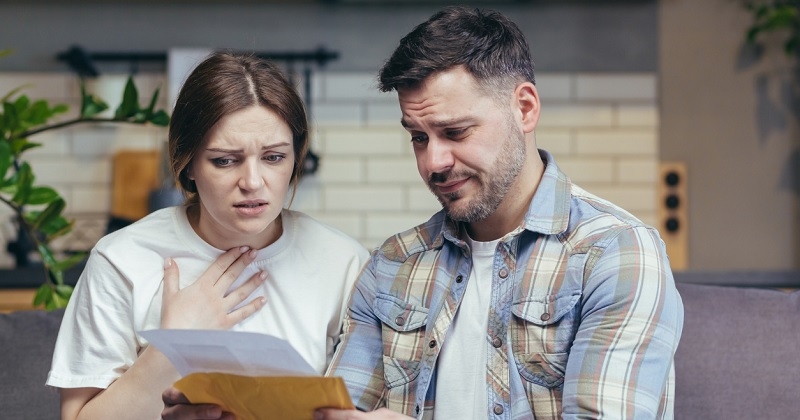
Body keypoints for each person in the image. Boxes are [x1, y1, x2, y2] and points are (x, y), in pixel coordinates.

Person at [164, 6, 684, 420]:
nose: (433, 161)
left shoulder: (615, 253)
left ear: (525, 108)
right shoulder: (394, 264)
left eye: (456, 132)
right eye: (418, 137)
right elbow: (337, 414)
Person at [46, 51, 369, 420]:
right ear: (189, 165)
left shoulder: (343, 262)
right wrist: (172, 346)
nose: (252, 182)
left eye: (274, 157)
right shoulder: (121, 259)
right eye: (225, 160)